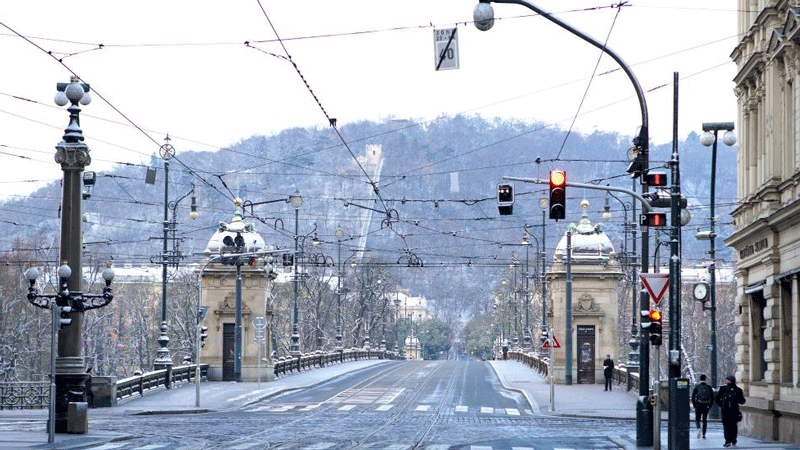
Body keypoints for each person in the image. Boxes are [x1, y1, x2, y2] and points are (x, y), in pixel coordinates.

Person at [716, 375, 745, 447]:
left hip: (728, 411)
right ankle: (731, 440)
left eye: (727, 380)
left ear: (730, 381)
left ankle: (730, 440)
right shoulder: (736, 390)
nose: (726, 382)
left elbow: (717, 399)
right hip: (731, 410)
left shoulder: (725, 389)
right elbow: (742, 401)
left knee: (728, 426)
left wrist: (722, 406)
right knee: (731, 426)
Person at [691, 374, 714, 439]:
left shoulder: (697, 386)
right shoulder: (709, 387)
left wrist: (694, 405)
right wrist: (709, 405)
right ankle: (704, 434)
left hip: (699, 404)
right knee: (704, 419)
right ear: (705, 379)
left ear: (700, 379)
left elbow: (693, 396)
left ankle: (698, 428)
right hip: (706, 405)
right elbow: (712, 397)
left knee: (697, 418)